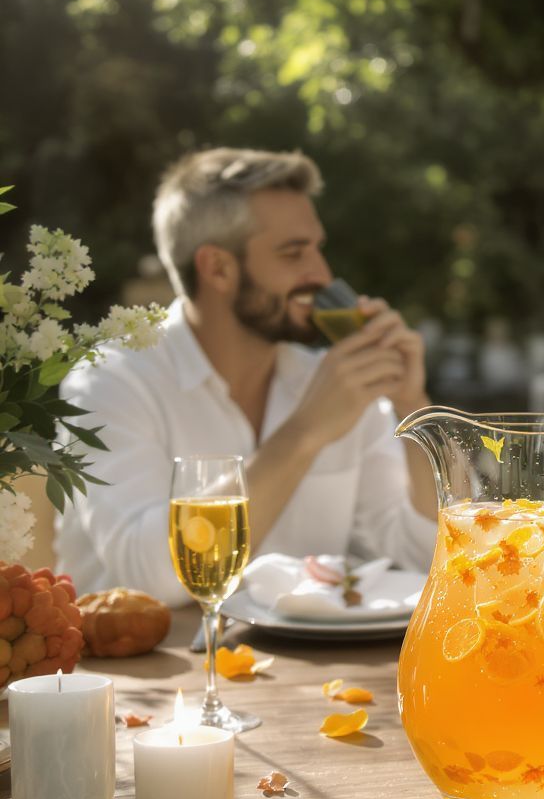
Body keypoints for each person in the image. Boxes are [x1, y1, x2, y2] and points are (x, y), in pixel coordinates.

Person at [56, 147, 438, 605]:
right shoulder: (108, 382)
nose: (322, 274)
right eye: (294, 253)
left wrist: (413, 408)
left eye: (318, 249)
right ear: (218, 268)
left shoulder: (334, 382)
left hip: (299, 654)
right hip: (149, 652)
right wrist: (304, 433)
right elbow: (154, 577)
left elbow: (422, 557)